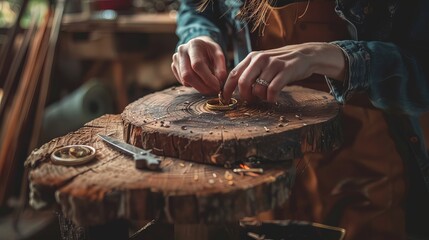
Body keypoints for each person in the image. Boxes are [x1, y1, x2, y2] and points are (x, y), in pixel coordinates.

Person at [171, 0, 429, 239]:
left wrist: (337, 57)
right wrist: (199, 35)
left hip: (364, 164)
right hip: (264, 163)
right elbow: (197, 7)